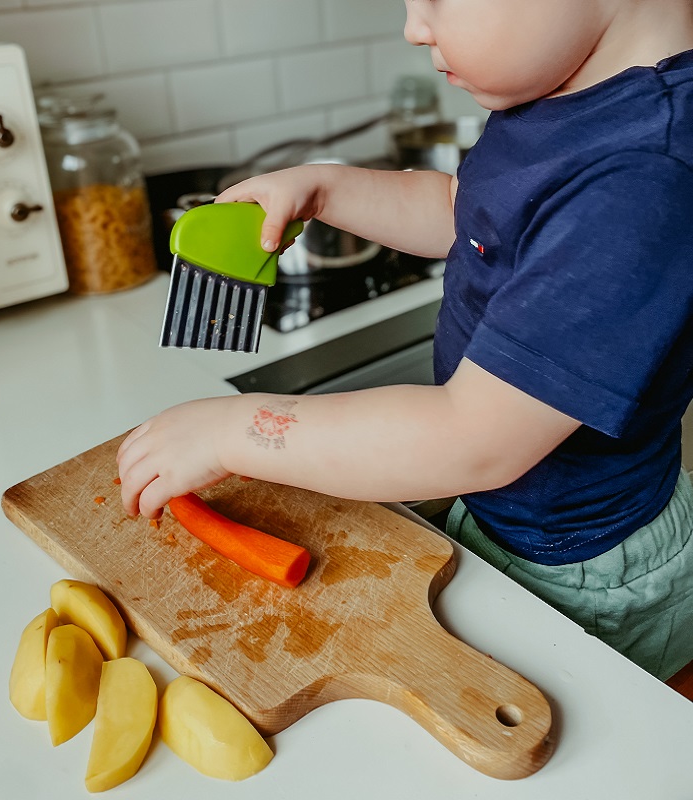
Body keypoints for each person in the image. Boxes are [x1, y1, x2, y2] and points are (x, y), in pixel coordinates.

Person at [119, 0, 693, 681]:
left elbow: (474, 439)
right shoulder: (568, 94)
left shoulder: (637, 182)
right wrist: (325, 188)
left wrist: (233, 431)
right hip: (515, 522)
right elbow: (465, 211)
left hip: (580, 570)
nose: (415, 27)